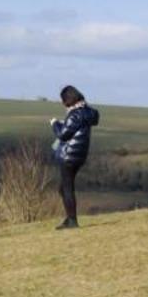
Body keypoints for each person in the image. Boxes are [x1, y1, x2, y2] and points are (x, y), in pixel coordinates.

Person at [50, 85, 99, 229]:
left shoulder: (75, 115)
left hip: (69, 155)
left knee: (67, 188)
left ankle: (72, 221)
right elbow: (91, 119)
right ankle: (69, 218)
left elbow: (63, 134)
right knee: (64, 187)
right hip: (80, 155)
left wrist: (54, 124)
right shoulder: (88, 113)